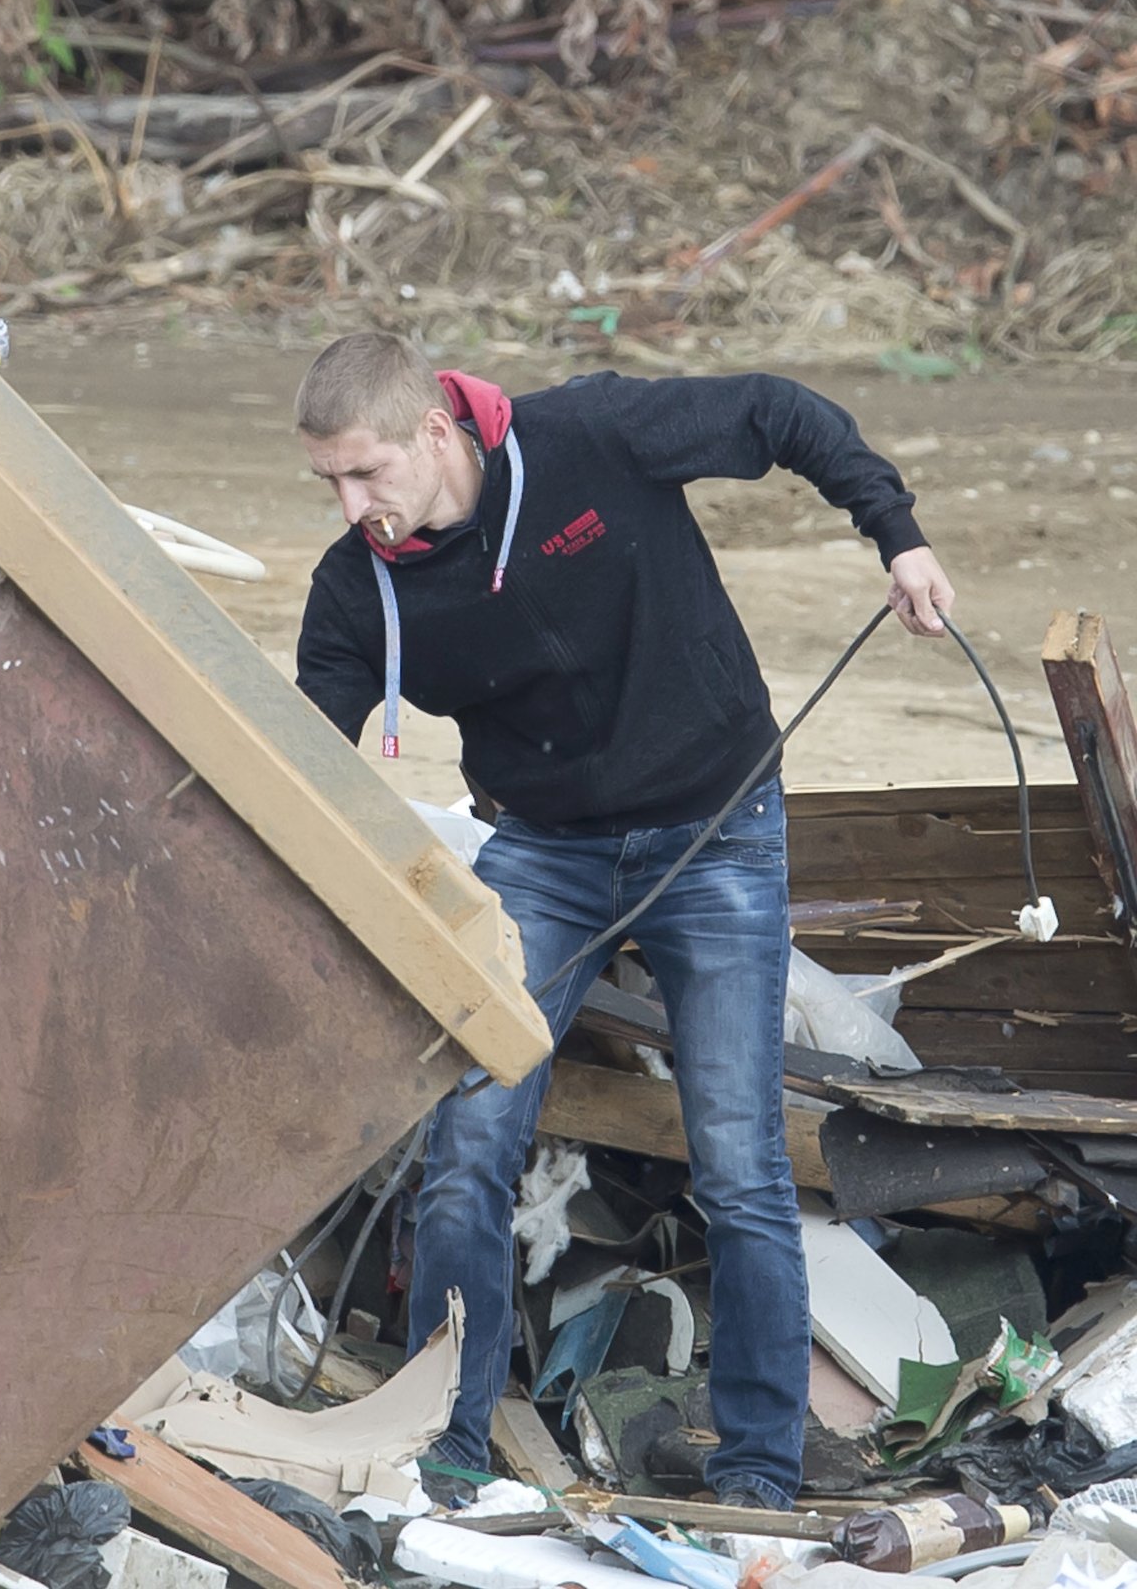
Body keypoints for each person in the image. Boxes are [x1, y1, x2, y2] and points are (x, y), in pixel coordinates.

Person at [294, 329, 954, 1510]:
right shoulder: (359, 589)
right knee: (469, 1152)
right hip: (543, 854)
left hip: (716, 831)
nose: (354, 508)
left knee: (743, 1163)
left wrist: (895, 535)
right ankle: (444, 1437)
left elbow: (777, 406)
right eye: (329, 484)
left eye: (367, 474)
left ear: (435, 434)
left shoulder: (593, 437)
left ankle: (755, 1466)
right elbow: (298, 767)